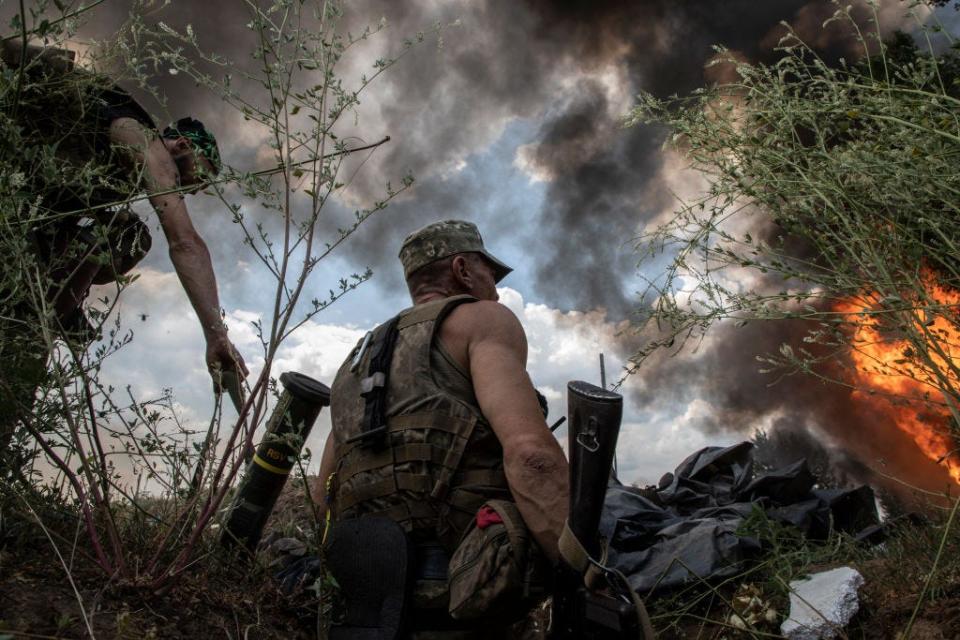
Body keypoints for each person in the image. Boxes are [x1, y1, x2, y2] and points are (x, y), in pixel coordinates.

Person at [312, 220, 569, 638]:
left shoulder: (357, 360)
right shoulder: (484, 321)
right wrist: (582, 567)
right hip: (463, 583)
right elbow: (530, 455)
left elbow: (323, 491)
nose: (498, 289)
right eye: (490, 274)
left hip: (367, 599)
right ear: (462, 269)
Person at [0, 44, 247, 459]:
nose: (190, 190)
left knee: (125, 231)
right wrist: (216, 334)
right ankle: (48, 315)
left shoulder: (110, 154)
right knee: (130, 237)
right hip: (15, 211)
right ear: (183, 145)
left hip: (34, 214)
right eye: (195, 178)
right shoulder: (149, 146)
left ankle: (60, 306)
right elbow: (185, 241)